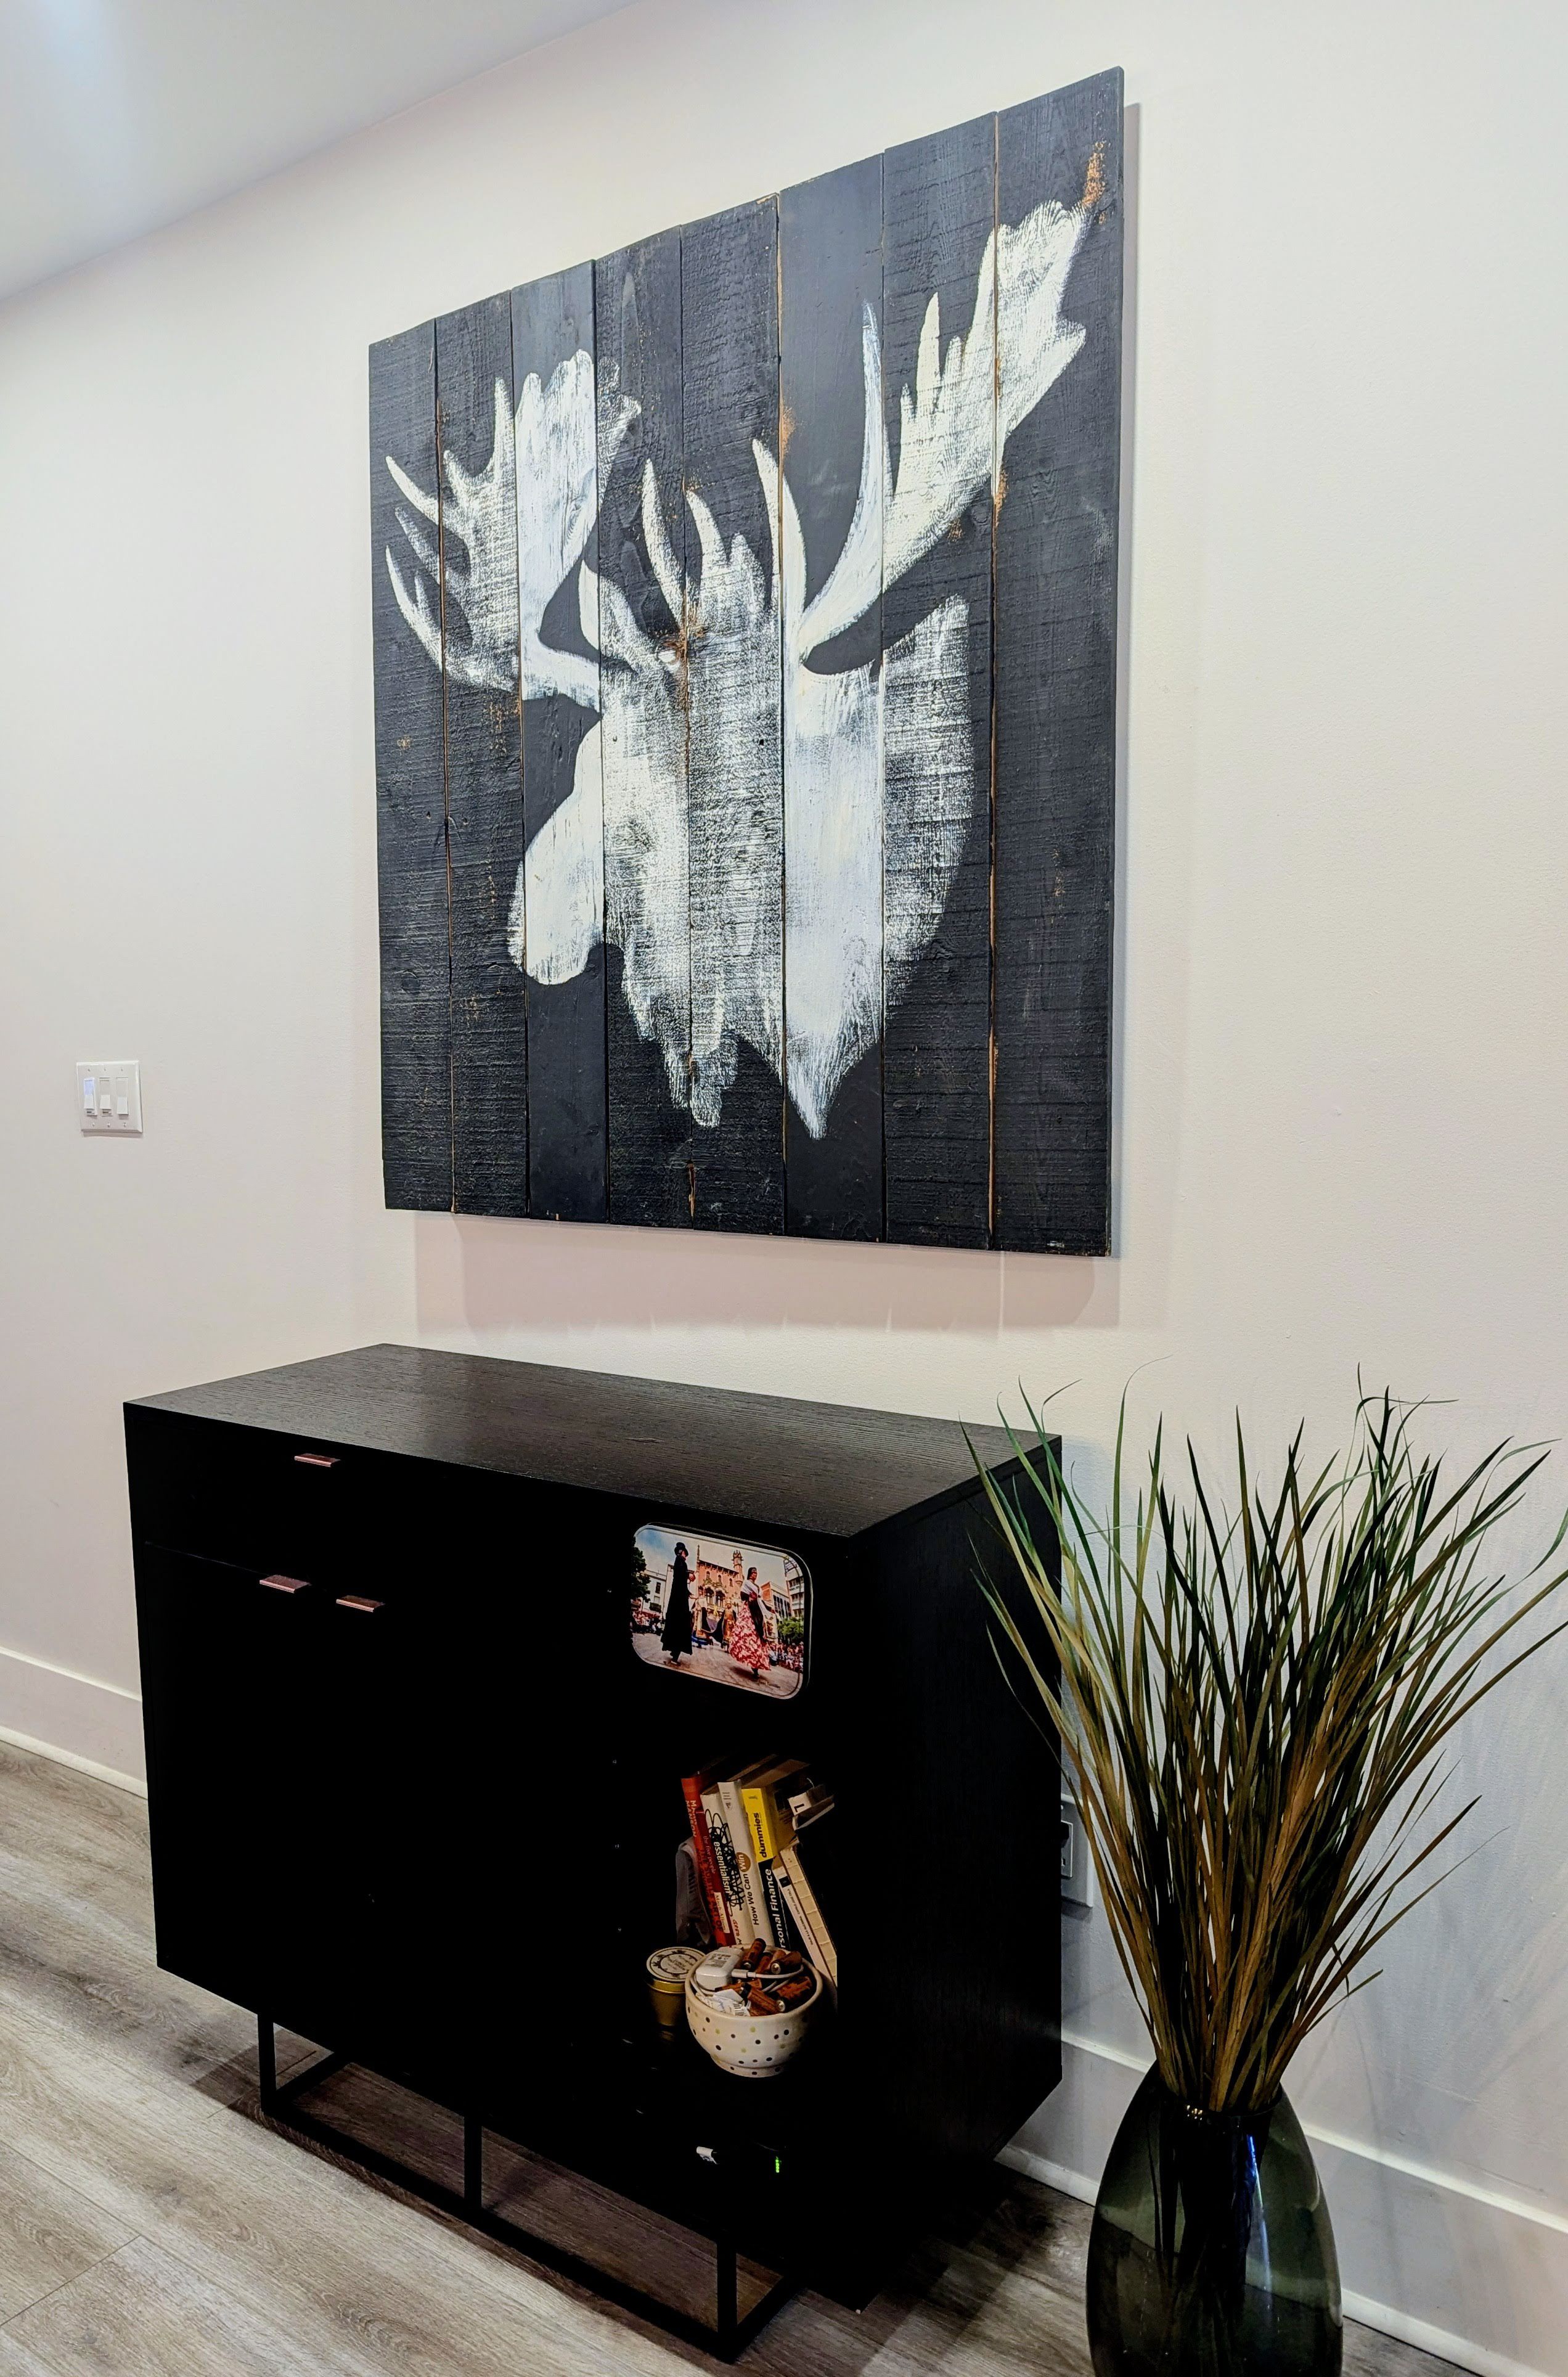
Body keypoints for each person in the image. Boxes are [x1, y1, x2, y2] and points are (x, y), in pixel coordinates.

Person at [725, 1571, 771, 1683]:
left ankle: (755, 1668)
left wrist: (769, 1609)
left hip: (757, 1612)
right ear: (750, 1574)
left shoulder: (758, 1588)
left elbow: (761, 1601)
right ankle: (745, 1656)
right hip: (749, 1611)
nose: (755, 1574)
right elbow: (742, 1596)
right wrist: (749, 1597)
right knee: (747, 1634)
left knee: (757, 1637)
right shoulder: (746, 1583)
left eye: (756, 1573)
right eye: (754, 1572)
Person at [661, 1542, 693, 1665]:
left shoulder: (680, 1562)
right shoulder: (680, 1561)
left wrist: (688, 1593)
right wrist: (688, 1575)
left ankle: (674, 1651)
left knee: (676, 1624)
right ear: (681, 1552)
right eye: (685, 1553)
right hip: (679, 1601)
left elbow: (680, 1583)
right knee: (681, 1625)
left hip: (678, 1598)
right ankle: (675, 1657)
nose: (686, 1556)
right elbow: (680, 1574)